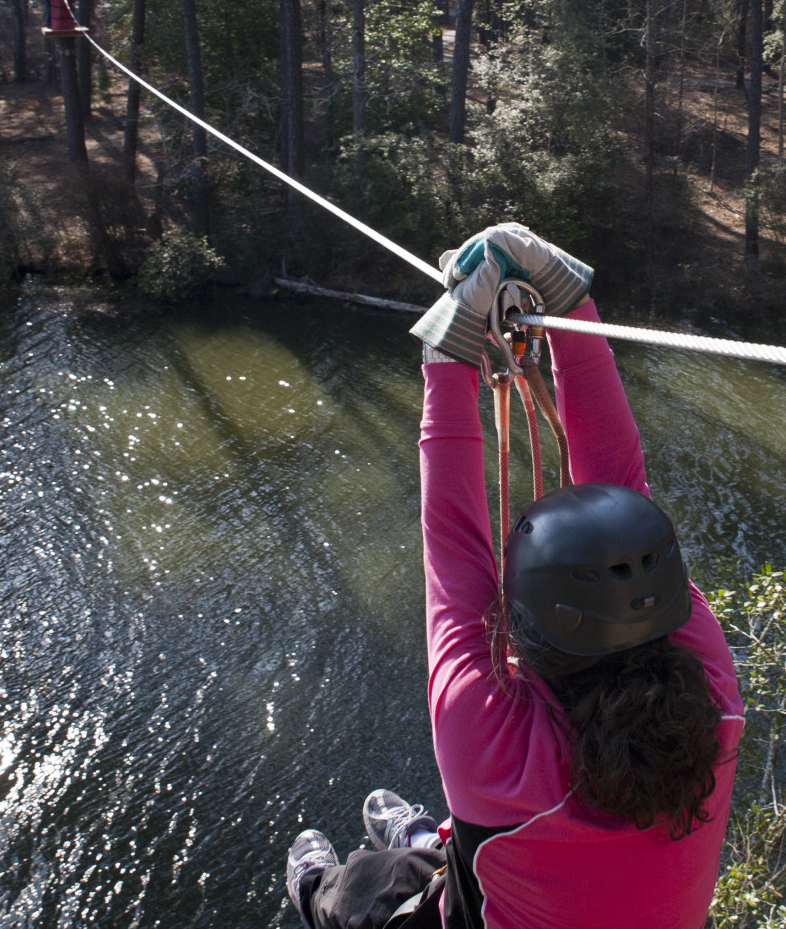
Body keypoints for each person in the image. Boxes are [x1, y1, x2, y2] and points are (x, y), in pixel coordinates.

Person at [284, 224, 744, 929]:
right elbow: (611, 493)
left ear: (529, 631)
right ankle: (427, 840)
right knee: (466, 849)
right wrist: (513, 326)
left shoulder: (500, 756)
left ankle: (316, 885)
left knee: (365, 897)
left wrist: (470, 339)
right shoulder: (712, 698)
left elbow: (460, 539)